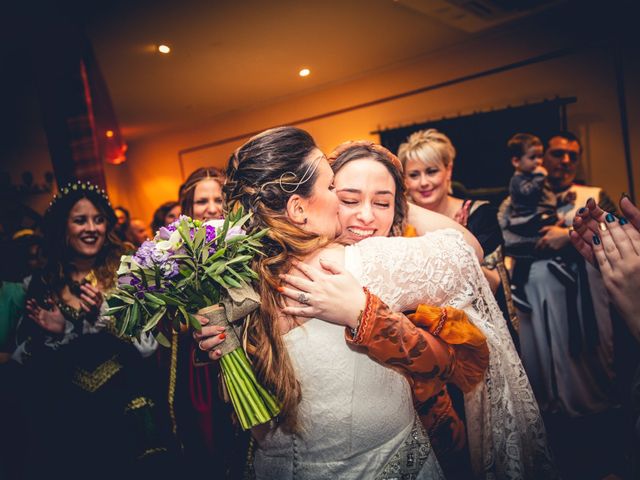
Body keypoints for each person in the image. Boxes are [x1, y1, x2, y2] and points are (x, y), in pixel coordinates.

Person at [211, 126, 556, 479]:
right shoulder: (360, 264)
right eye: (338, 192)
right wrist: (398, 201)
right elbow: (468, 252)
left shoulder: (230, 285)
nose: (362, 215)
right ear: (298, 208)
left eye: (381, 202)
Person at [10, 181, 173, 479]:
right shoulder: (40, 283)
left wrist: (105, 316)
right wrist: (55, 334)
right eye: (80, 220)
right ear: (63, 227)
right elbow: (19, 361)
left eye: (98, 220)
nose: (92, 228)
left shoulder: (128, 271)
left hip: (129, 409)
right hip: (71, 417)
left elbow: (151, 348)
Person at [498, 131, 622, 478]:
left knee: (585, 367)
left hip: (582, 296)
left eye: (572, 155)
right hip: (532, 297)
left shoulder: (592, 196)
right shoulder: (515, 198)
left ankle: (600, 454)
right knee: (539, 371)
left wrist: (565, 236)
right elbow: (505, 241)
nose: (565, 161)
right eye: (556, 154)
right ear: (540, 157)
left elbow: (618, 238)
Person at [398, 128, 520, 347]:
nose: (424, 182)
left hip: (480, 330)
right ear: (405, 180)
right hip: (425, 337)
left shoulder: (479, 215)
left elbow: (492, 283)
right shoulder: (398, 225)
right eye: (414, 175)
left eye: (431, 171)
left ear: (449, 170)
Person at [163, 166, 247, 479]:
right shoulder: (173, 254)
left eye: (219, 198)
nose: (211, 207)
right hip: (199, 366)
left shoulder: (244, 246)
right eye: (202, 201)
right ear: (188, 208)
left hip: (244, 354)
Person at [502, 133, 575, 311]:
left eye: (540, 157)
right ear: (516, 161)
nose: (538, 162)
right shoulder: (520, 180)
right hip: (527, 221)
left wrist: (565, 204)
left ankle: (560, 264)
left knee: (557, 222)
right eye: (533, 157)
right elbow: (529, 195)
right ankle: (517, 286)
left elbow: (549, 204)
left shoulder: (537, 179)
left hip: (539, 218)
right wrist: (540, 178)